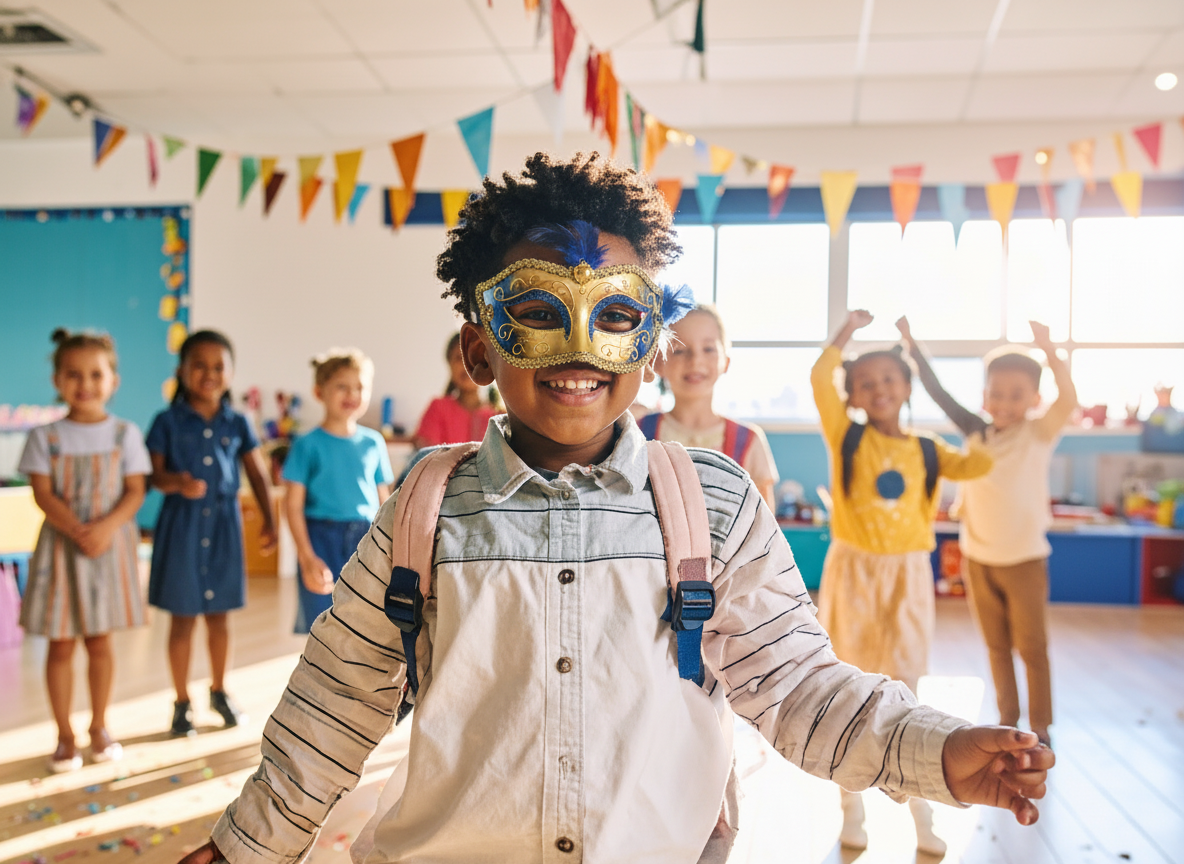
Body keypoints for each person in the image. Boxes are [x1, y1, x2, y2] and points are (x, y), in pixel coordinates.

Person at [181, 154, 1051, 864]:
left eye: (616, 314)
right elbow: (336, 702)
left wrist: (932, 751)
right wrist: (245, 847)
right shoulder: (427, 504)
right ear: (479, 345)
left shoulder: (712, 502)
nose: (579, 348)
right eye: (536, 311)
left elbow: (796, 685)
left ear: (651, 344)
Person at [811, 309, 995, 854]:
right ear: (854, 398)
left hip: (909, 575)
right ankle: (851, 807)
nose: (879, 388)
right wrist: (844, 335)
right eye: (865, 383)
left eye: (890, 378)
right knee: (849, 687)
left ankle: (921, 815)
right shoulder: (847, 436)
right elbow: (821, 378)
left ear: (908, 387)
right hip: (854, 573)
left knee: (906, 686)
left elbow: (982, 460)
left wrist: (923, 358)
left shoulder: (930, 450)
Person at [898, 316, 1077, 750]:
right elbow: (938, 392)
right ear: (985, 396)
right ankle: (1008, 719)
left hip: (1025, 560)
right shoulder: (976, 433)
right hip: (978, 558)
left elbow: (1069, 399)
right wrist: (910, 342)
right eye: (996, 394)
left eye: (1017, 395)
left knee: (1032, 647)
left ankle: (1043, 725)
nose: (1005, 402)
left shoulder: (1037, 433)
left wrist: (1050, 351)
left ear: (1034, 398)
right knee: (997, 648)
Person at [18, 329, 150, 772]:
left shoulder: (124, 434)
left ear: (113, 379)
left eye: (96, 374)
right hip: (62, 550)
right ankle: (64, 735)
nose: (85, 383)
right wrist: (78, 530)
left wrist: (105, 529)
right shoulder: (45, 436)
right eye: (73, 374)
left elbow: (135, 491)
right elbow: (41, 493)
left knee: (99, 643)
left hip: (106, 550)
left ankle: (98, 727)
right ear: (57, 380)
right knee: (60, 646)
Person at [146, 329, 276, 737]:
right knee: (182, 619)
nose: (209, 373)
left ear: (231, 373)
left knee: (219, 618)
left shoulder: (237, 421)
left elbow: (255, 472)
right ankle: (181, 701)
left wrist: (271, 521)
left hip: (223, 527)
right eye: (198, 365)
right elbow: (153, 475)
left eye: (218, 366)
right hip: (181, 529)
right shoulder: (166, 421)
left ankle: (219, 690)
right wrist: (176, 483)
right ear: (181, 371)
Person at [282, 349, 394, 634]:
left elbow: (386, 504)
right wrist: (307, 557)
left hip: (366, 540)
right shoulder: (306, 445)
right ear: (319, 392)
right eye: (342, 386)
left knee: (365, 623)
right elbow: (292, 506)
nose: (352, 394)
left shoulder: (374, 443)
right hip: (321, 539)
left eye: (359, 387)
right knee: (322, 624)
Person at [641, 304, 779, 510]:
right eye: (679, 350)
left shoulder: (750, 441)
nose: (695, 360)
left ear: (726, 362)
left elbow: (765, 530)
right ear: (658, 362)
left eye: (708, 349)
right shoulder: (636, 434)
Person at [412, 332, 500, 448]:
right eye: (459, 358)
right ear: (450, 365)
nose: (466, 365)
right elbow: (427, 456)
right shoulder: (438, 408)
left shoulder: (499, 416)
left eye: (474, 357)